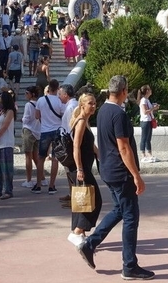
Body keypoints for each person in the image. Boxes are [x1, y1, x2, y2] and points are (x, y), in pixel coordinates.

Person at [76, 75, 154, 280]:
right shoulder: (118, 114)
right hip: (121, 173)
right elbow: (123, 146)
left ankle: (90, 244)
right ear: (124, 92)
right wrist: (136, 175)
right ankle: (129, 266)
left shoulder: (102, 110)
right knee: (130, 217)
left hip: (108, 169)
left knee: (120, 210)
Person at [68, 92, 102, 246]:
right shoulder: (81, 121)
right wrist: (80, 168)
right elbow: (76, 147)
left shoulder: (84, 121)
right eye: (90, 103)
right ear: (82, 105)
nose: (93, 106)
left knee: (81, 199)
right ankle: (77, 231)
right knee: (94, 199)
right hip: (81, 168)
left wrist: (100, 154)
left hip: (84, 166)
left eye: (94, 103)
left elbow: (90, 146)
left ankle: (78, 232)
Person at [33, 80, 65, 195]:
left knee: (41, 158)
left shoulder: (41, 100)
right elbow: (63, 115)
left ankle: (38, 185)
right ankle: (52, 186)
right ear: (57, 88)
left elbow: (37, 116)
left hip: (45, 131)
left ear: (48, 88)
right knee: (55, 159)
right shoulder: (60, 101)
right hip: (57, 130)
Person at [0, 90, 16, 200]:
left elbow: (5, 126)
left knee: (6, 168)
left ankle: (8, 190)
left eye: (0, 97)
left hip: (6, 142)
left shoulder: (10, 111)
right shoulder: (0, 111)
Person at [20, 86, 41, 188]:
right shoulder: (39, 104)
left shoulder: (28, 105)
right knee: (36, 156)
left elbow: (26, 119)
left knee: (28, 156)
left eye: (27, 93)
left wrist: (22, 120)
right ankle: (42, 178)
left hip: (29, 130)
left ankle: (29, 180)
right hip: (37, 131)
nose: (25, 95)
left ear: (31, 94)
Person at [137, 85, 159, 163]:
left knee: (148, 139)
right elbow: (145, 112)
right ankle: (143, 155)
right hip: (145, 121)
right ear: (147, 91)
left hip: (149, 121)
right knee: (144, 138)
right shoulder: (143, 100)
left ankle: (149, 154)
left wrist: (153, 106)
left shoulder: (147, 100)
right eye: (149, 89)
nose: (151, 90)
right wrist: (154, 108)